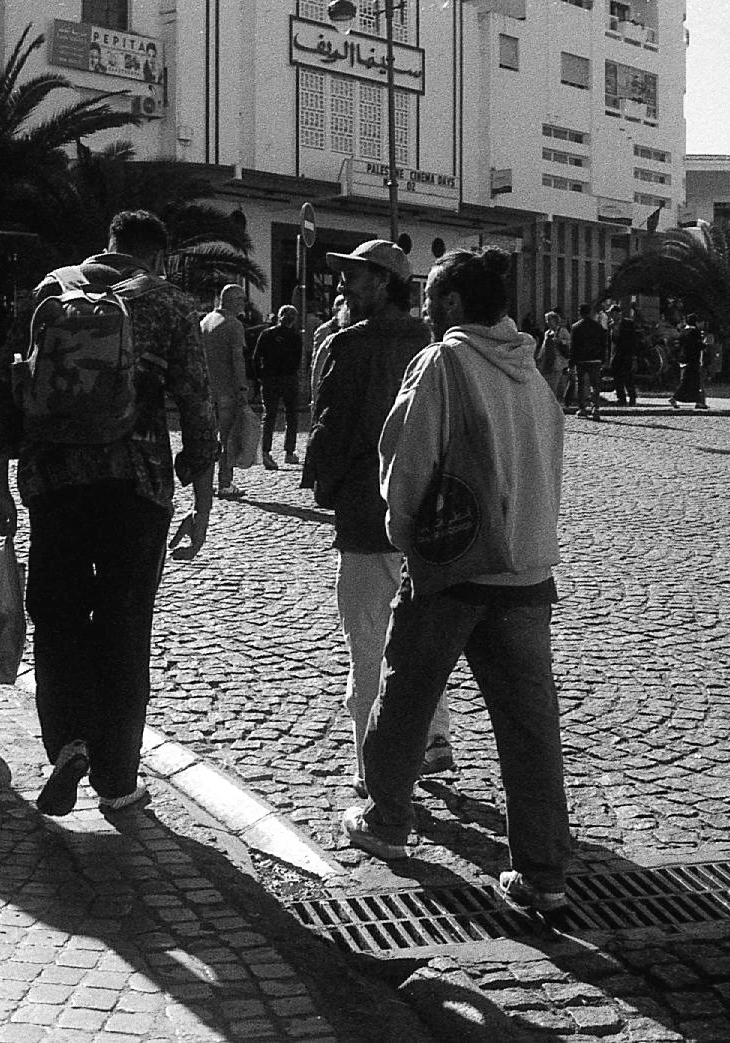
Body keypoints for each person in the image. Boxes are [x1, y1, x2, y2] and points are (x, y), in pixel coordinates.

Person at [342, 246, 573, 915]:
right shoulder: (531, 371)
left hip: (456, 567)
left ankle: (385, 820)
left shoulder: (444, 360)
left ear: (447, 303)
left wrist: (407, 539)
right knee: (530, 731)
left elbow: (406, 461)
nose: (420, 310)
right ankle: (543, 871)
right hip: (528, 572)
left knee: (406, 697)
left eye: (426, 299)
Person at [0, 209, 218, 817]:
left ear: (106, 247)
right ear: (155, 257)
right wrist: (202, 500)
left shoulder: (49, 290)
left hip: (53, 482)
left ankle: (68, 743)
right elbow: (196, 401)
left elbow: (5, 390)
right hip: (136, 490)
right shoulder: (168, 304)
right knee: (123, 624)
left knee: (58, 619)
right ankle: (116, 778)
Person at [302, 239, 453, 796]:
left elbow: (330, 429)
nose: (344, 285)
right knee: (420, 638)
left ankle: (374, 772)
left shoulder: (351, 345)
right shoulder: (435, 345)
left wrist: (323, 482)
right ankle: (434, 738)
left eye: (357, 277)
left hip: (367, 517)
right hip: (427, 521)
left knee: (367, 648)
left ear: (385, 284)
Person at [200, 284, 252, 498]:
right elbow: (237, 359)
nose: (243, 303)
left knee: (209, 438)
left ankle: (206, 483)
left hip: (207, 390)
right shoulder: (234, 325)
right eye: (240, 299)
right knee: (227, 439)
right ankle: (225, 483)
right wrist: (242, 388)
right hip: (227, 390)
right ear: (229, 300)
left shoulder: (206, 321)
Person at [252, 304, 302, 469]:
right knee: (292, 415)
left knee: (270, 416)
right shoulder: (295, 336)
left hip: (270, 379)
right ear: (293, 319)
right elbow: (297, 360)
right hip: (288, 378)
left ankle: (266, 451)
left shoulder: (267, 334)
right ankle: (289, 452)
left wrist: (260, 376)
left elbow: (256, 357)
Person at [567, 303, 608, 420]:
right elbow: (603, 344)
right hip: (595, 359)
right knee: (595, 385)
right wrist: (603, 359)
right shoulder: (598, 326)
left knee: (581, 385)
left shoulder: (576, 327)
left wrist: (571, 363)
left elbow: (573, 347)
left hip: (581, 360)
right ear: (590, 312)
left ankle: (582, 408)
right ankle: (595, 407)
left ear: (580, 313)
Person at [311, 294, 348, 404]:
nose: (342, 307)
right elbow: (318, 363)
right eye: (339, 304)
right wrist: (315, 396)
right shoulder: (325, 330)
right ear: (333, 309)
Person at [668, 313, 708, 410]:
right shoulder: (694, 332)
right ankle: (674, 397)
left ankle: (698, 401)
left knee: (691, 381)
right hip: (692, 359)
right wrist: (705, 344)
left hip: (683, 358)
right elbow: (696, 345)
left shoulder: (683, 331)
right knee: (689, 381)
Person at [535, 309, 569, 403]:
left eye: (549, 320)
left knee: (556, 385)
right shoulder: (547, 333)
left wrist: (560, 341)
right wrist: (539, 358)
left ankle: (555, 403)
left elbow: (569, 343)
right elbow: (543, 347)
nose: (548, 322)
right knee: (549, 384)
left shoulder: (562, 331)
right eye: (547, 320)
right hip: (548, 362)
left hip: (558, 361)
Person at [610, 306, 641, 406]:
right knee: (617, 377)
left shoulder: (628, 323)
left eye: (613, 313)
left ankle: (632, 397)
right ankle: (621, 398)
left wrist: (634, 356)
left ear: (618, 313)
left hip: (627, 354)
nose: (611, 316)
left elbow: (633, 340)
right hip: (616, 354)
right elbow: (612, 341)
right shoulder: (611, 325)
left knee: (628, 377)